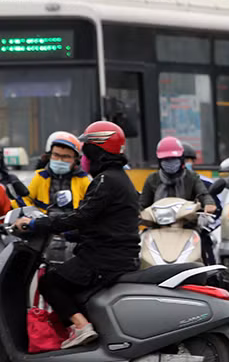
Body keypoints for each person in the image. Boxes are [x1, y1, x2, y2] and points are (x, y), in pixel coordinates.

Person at [14, 122, 140, 349]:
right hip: (114, 254)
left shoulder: (105, 181)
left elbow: (80, 217)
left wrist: (36, 224)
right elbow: (98, 222)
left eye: (87, 150)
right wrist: (73, 234)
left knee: (50, 282)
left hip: (104, 258)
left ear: (97, 150)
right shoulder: (117, 178)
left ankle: (81, 327)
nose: (84, 157)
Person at [139, 137, 217, 214]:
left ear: (181, 159)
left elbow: (203, 194)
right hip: (158, 223)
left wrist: (209, 203)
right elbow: (143, 204)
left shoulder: (191, 177)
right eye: (166, 160)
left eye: (174, 159)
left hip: (187, 222)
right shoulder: (152, 179)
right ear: (159, 161)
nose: (170, 163)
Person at [27, 133, 90, 214]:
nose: (59, 160)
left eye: (66, 156)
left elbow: (92, 206)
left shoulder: (84, 179)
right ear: (49, 155)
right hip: (43, 223)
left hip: (73, 223)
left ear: (76, 159)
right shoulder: (39, 176)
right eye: (56, 155)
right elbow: (22, 199)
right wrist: (33, 215)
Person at [181, 143, 221, 212]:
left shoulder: (206, 183)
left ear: (193, 162)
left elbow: (217, 210)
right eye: (181, 161)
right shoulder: (165, 182)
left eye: (187, 161)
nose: (184, 164)